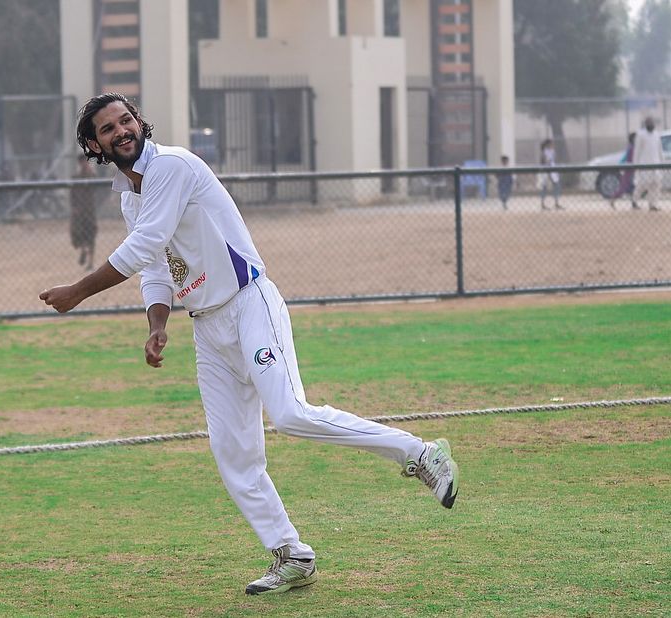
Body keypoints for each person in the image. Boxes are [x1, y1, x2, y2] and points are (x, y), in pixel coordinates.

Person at [39, 93, 460, 596]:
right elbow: (155, 267)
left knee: (290, 414)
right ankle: (291, 554)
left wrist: (77, 292)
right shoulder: (131, 197)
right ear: (94, 145)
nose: (121, 131)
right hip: (207, 326)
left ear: (140, 122)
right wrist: (157, 324)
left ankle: (420, 454)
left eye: (126, 120)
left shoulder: (171, 165)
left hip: (249, 304)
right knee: (233, 453)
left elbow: (144, 244)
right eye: (108, 129)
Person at [69, 155, 98, 269]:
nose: (84, 164)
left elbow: (98, 192)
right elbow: (72, 195)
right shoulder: (76, 178)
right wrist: (74, 207)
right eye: (82, 162)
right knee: (78, 233)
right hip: (80, 211)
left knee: (91, 235)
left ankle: (90, 262)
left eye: (86, 162)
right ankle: (84, 249)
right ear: (79, 163)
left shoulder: (92, 177)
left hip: (90, 211)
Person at [633, 117, 663, 212]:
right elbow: (637, 151)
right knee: (642, 184)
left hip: (656, 164)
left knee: (656, 185)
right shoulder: (641, 135)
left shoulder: (657, 134)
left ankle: (653, 204)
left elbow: (660, 150)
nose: (651, 124)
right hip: (644, 164)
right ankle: (634, 201)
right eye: (649, 123)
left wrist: (662, 162)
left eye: (652, 122)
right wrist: (635, 164)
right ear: (646, 124)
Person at [610, 132, 638, 210]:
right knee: (623, 188)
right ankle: (612, 200)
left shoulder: (634, 147)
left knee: (633, 188)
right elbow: (627, 159)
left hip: (632, 170)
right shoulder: (632, 148)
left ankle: (634, 204)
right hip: (628, 170)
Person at [538, 139, 563, 211]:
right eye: (551, 143)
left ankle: (556, 203)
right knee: (544, 187)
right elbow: (543, 161)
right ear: (547, 144)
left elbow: (553, 161)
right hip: (545, 170)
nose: (552, 145)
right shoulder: (544, 152)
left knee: (556, 185)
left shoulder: (552, 151)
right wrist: (547, 162)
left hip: (552, 170)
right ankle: (542, 204)